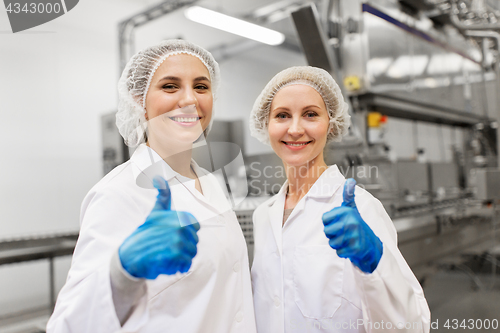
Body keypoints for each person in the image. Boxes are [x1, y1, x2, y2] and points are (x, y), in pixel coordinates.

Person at [47, 40, 257, 332]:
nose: (189, 100)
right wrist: (123, 273)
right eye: (170, 86)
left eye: (201, 86)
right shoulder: (118, 193)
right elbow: (67, 326)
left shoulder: (210, 182)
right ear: (140, 102)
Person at [249, 66, 430, 332]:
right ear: (267, 124)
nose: (296, 129)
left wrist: (376, 263)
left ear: (330, 123)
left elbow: (414, 325)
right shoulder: (264, 215)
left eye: (310, 114)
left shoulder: (361, 208)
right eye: (282, 115)